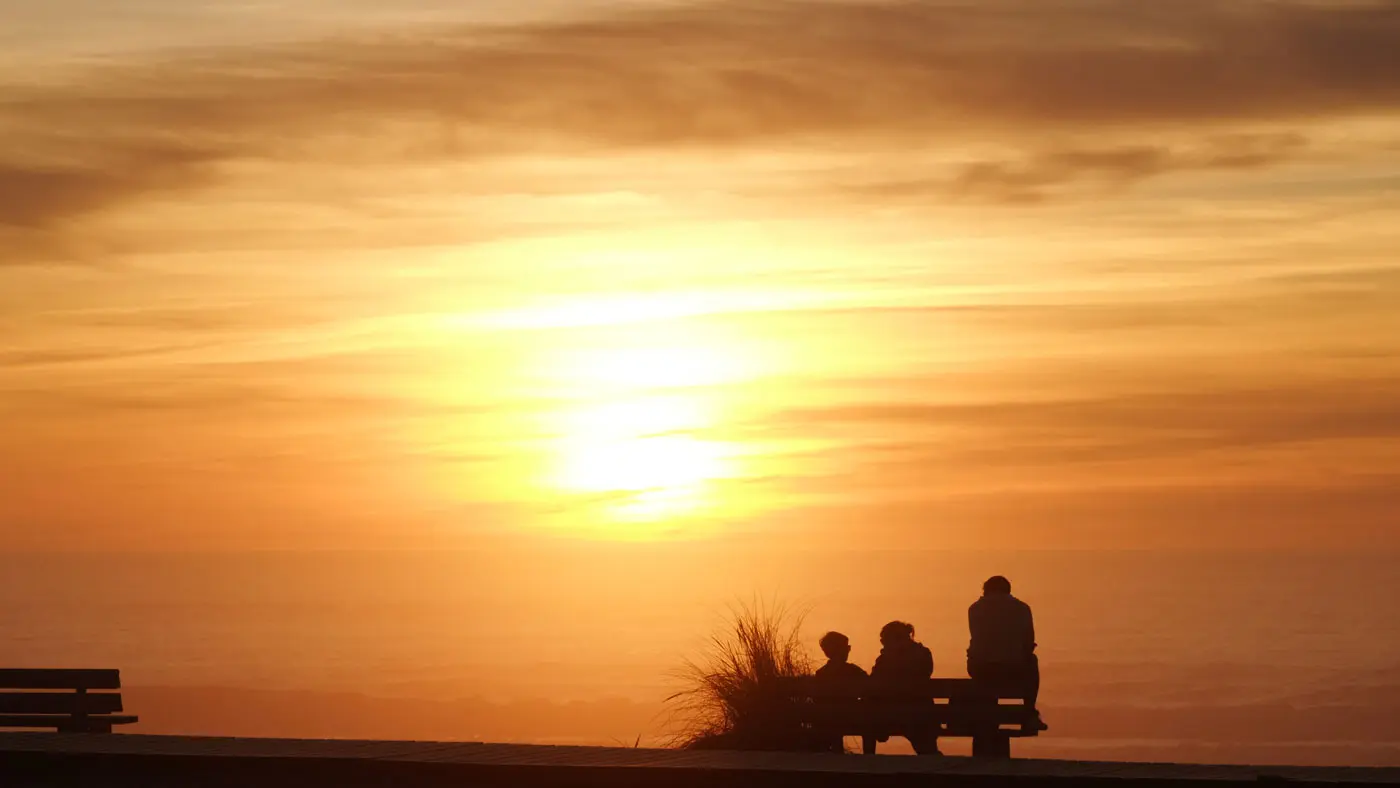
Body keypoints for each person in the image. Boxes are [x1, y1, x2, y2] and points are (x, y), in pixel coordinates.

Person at [967, 575, 1046, 730]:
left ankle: (990, 712)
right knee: (1032, 660)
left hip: (982, 670)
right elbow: (1028, 642)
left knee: (980, 658)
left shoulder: (974, 608)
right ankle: (1029, 711)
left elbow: (977, 637)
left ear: (986, 591)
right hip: (1012, 669)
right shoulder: (1022, 608)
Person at [870, 620, 939, 755]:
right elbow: (926, 674)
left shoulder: (886, 659)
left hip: (896, 714)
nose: (882, 644)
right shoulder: (923, 653)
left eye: (883, 640)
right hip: (923, 713)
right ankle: (933, 760)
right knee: (926, 747)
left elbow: (873, 682)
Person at [812, 631, 868, 753]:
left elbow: (817, 699)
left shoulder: (821, 674)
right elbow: (869, 690)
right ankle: (869, 758)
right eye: (847, 647)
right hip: (854, 719)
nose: (849, 650)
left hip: (827, 720)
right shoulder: (854, 672)